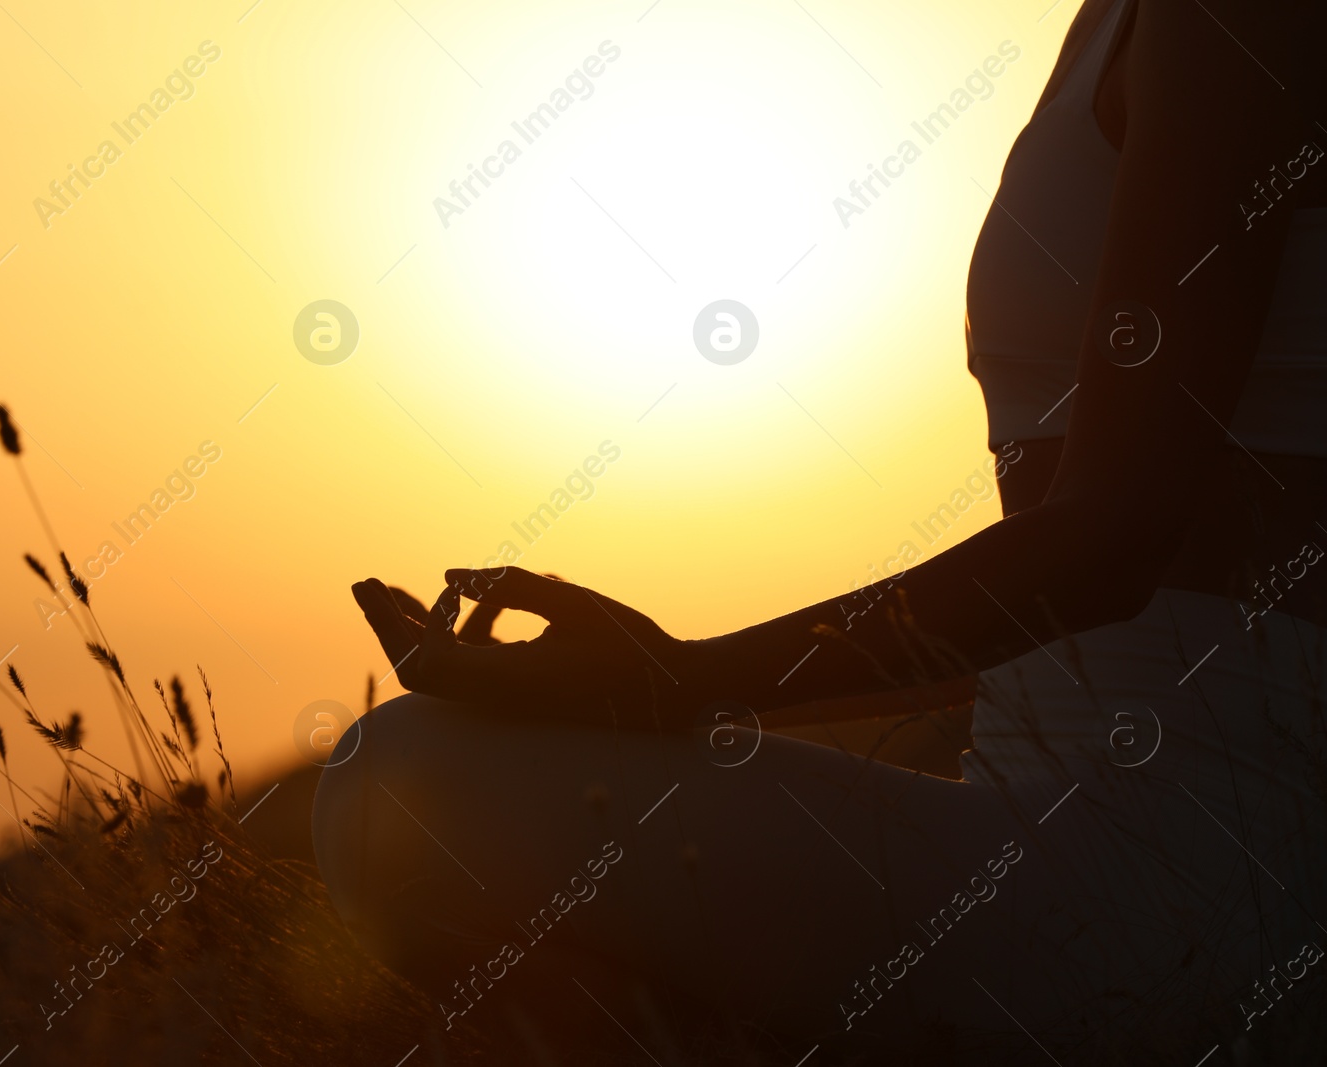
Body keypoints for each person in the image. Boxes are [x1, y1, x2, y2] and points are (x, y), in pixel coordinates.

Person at [316, 0, 1327, 1060]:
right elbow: (1060, 603)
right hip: (1053, 804)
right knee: (426, 783)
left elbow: (1111, 546)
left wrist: (677, 679)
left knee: (401, 783)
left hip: (1196, 870)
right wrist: (661, 700)